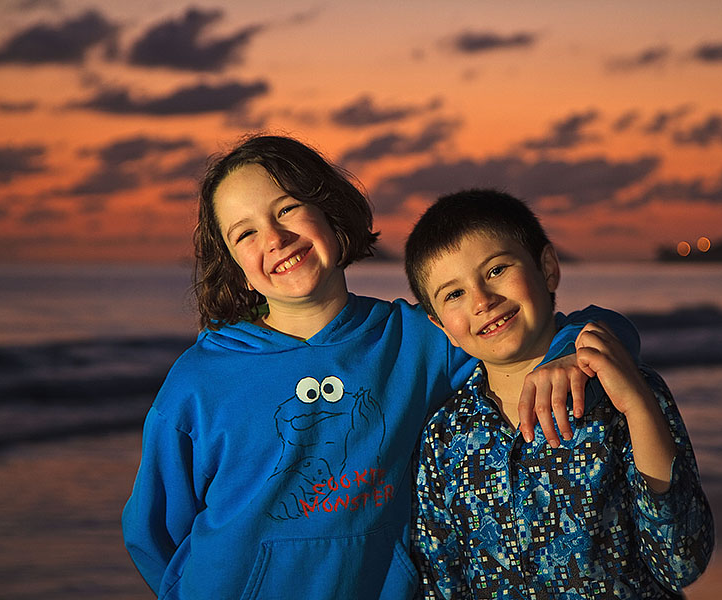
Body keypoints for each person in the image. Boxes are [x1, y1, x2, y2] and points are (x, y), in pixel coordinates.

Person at [121, 135, 641, 600]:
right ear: (233, 263)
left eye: (287, 210)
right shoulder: (200, 379)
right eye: (245, 234)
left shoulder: (418, 342)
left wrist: (567, 352)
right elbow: (154, 532)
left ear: (330, 213)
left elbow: (599, 327)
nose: (274, 239)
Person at [404, 189, 715, 599]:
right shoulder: (444, 437)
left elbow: (682, 563)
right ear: (440, 323)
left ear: (548, 268)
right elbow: (442, 583)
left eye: (496, 270)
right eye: (454, 294)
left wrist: (636, 405)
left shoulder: (619, 393)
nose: (482, 300)